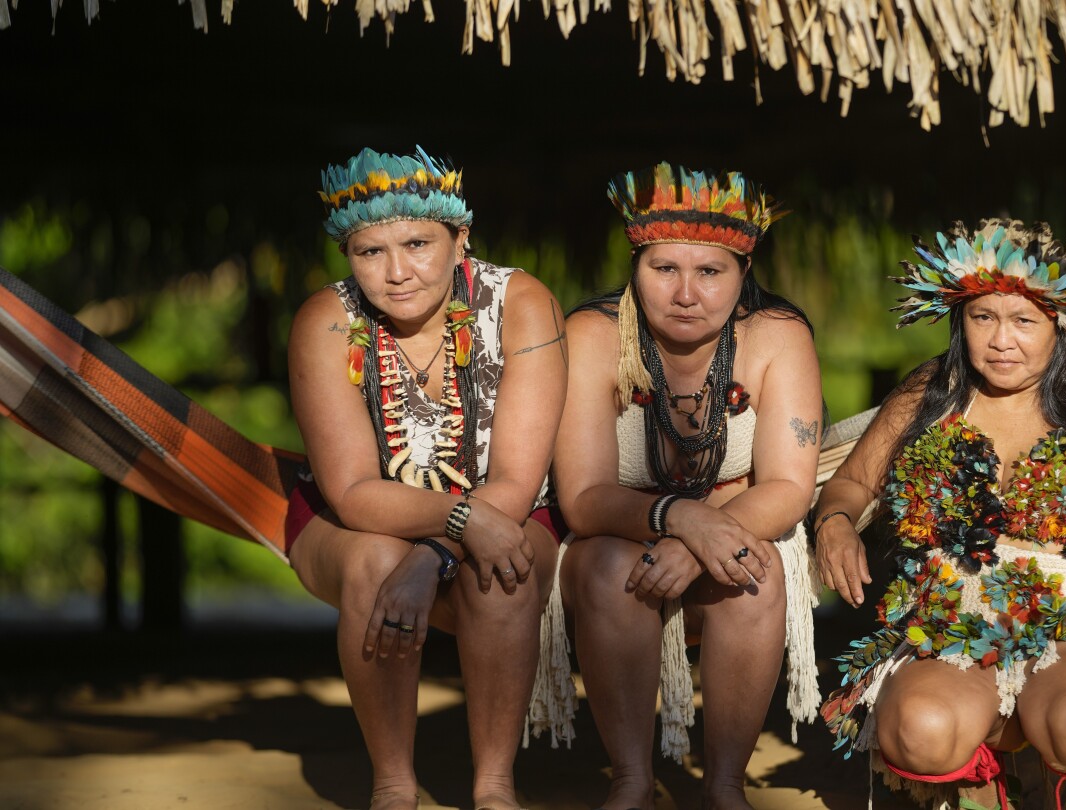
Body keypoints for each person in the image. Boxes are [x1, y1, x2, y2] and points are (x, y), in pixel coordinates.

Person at [813, 221, 1066, 810]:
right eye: (983, 318)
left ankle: (1065, 775)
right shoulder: (928, 395)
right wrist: (836, 524)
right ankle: (985, 780)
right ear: (959, 320)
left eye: (1024, 321)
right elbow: (850, 482)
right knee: (919, 730)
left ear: (1059, 323)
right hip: (950, 624)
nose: (1002, 340)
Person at [285, 146, 568, 810]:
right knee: (375, 565)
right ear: (346, 255)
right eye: (369, 252)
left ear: (460, 237)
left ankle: (495, 787)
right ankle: (392, 785)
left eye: (417, 243)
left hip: (512, 509)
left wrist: (436, 554)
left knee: (502, 569)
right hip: (355, 523)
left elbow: (517, 485)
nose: (397, 272)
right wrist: (454, 523)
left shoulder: (521, 303)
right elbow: (352, 492)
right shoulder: (326, 322)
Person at [550, 162, 824, 810]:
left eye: (710, 272)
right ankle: (632, 780)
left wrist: (702, 539)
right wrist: (684, 519)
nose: (685, 293)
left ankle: (725, 784)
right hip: (616, 543)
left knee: (752, 573)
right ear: (635, 267)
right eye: (664, 269)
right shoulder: (590, 335)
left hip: (732, 532)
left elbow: (788, 483)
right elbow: (584, 498)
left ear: (743, 274)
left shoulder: (778, 338)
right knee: (608, 567)